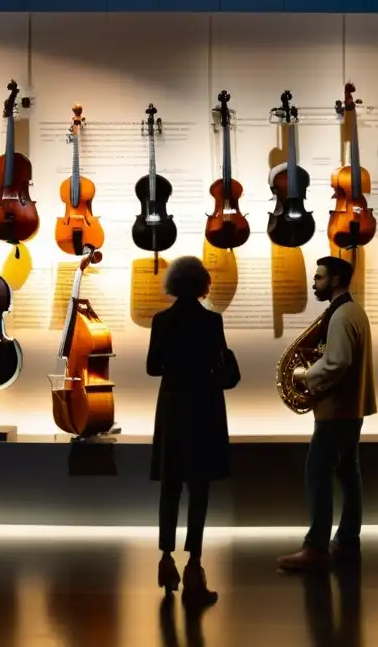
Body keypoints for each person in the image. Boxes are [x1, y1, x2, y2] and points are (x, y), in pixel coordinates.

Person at [277, 255, 376, 572]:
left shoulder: (341, 316)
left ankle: (316, 547)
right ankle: (347, 541)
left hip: (336, 411)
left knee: (317, 473)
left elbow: (336, 363)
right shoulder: (352, 311)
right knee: (349, 473)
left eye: (319, 278)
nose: (314, 282)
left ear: (335, 280)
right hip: (350, 409)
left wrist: (303, 376)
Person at [147, 255, 231, 608]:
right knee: (199, 489)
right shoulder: (211, 321)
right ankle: (194, 565)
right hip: (204, 407)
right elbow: (220, 364)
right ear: (202, 284)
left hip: (173, 406)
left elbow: (153, 367)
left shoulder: (162, 320)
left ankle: (166, 560)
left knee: (170, 486)